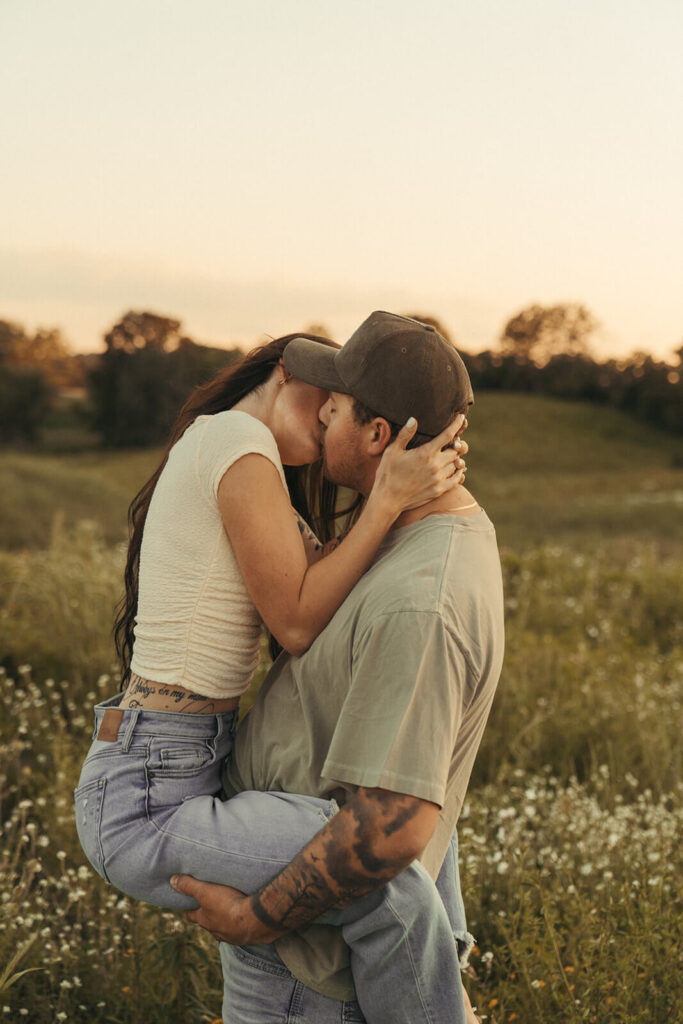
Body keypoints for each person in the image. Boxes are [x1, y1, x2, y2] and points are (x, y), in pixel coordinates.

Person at [74, 328, 471, 1023]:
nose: (327, 419)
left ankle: (455, 968)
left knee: (400, 822)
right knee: (386, 876)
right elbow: (294, 623)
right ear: (285, 374)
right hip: (147, 797)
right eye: (326, 399)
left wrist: (414, 482)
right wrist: (384, 502)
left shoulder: (238, 457)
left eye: (341, 408)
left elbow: (333, 602)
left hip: (175, 763)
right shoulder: (237, 441)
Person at [169, 311, 505, 1024]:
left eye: (339, 404)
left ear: (378, 435)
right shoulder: (408, 531)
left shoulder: (422, 601)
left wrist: (262, 915)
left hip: (308, 969)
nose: (321, 411)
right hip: (307, 952)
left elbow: (391, 822)